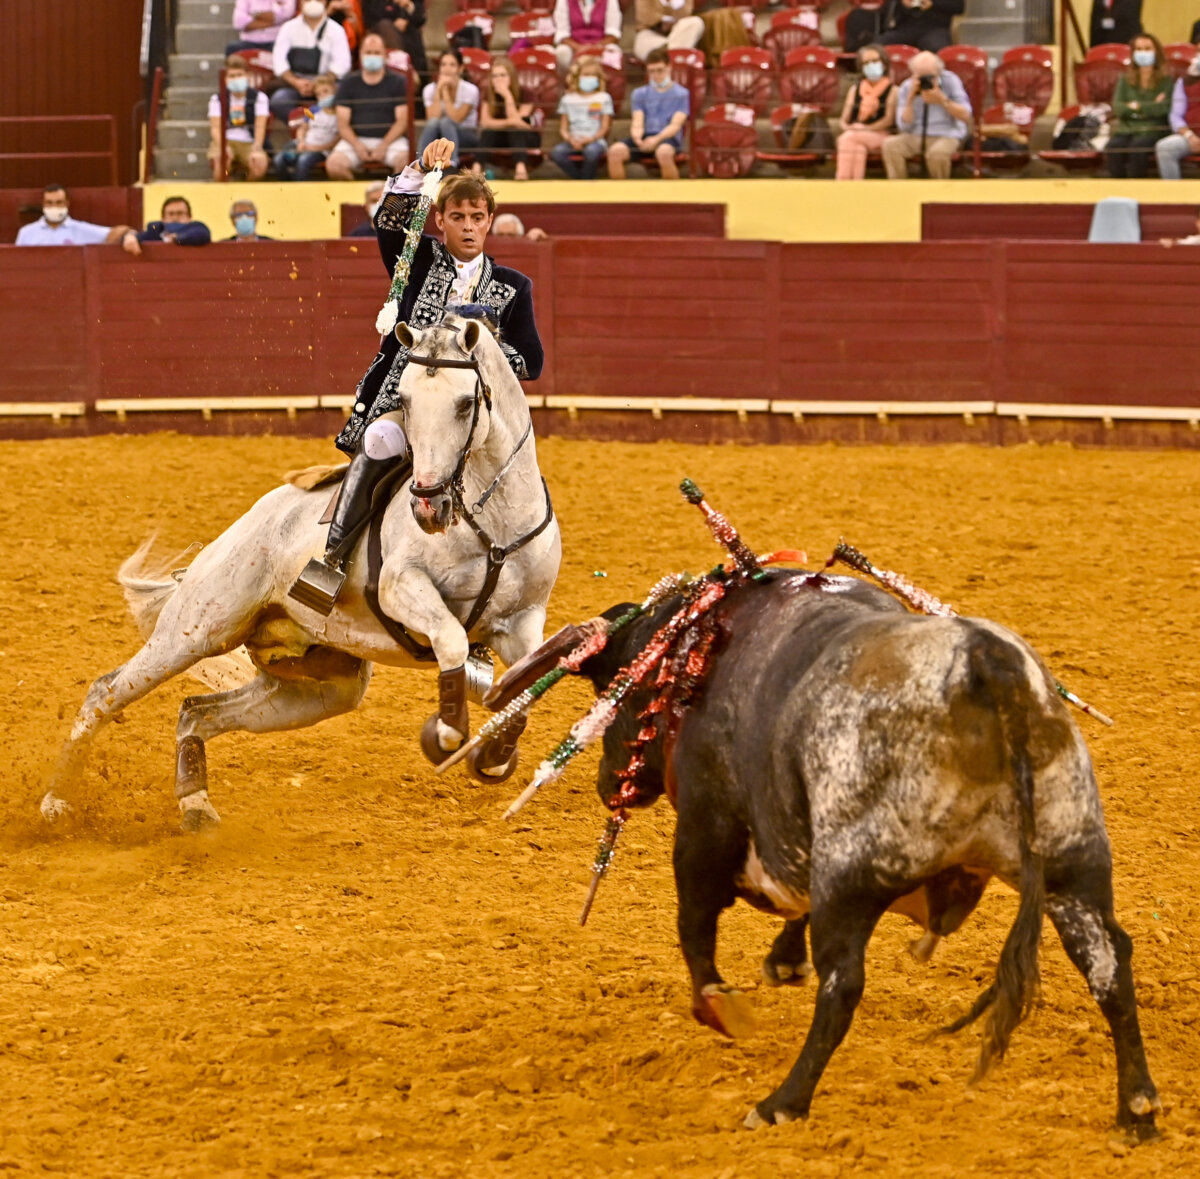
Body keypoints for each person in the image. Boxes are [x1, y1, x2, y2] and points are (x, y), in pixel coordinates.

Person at [307, 136, 544, 592]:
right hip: (408, 405)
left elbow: (531, 360)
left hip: (472, 417)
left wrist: (479, 362)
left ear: (489, 221)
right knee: (379, 441)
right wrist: (419, 167)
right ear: (440, 220)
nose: (469, 227)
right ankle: (332, 559)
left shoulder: (513, 286)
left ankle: (520, 568)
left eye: (477, 217)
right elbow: (389, 221)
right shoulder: (416, 259)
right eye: (458, 217)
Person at [326, 33, 409, 179]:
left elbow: (402, 121)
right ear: (360, 55)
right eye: (368, 52)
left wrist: (384, 145)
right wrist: (357, 146)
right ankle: (354, 193)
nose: (372, 56)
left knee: (406, 162)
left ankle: (391, 193)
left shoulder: (398, 82)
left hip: (391, 140)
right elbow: (343, 124)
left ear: (385, 55)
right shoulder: (349, 82)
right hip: (356, 140)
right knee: (334, 165)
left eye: (377, 53)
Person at [881, 49, 971, 179]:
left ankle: (939, 188)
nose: (925, 81)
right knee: (890, 145)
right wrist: (910, 99)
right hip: (915, 134)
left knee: (937, 154)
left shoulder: (951, 81)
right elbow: (903, 126)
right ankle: (899, 187)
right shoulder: (907, 86)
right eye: (920, 76)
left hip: (947, 134)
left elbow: (966, 115)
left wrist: (942, 100)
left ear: (939, 73)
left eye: (930, 76)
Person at [607, 47, 689, 179]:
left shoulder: (681, 94)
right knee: (615, 152)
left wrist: (656, 139)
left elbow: (676, 125)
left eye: (660, 70)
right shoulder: (639, 94)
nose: (656, 75)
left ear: (669, 67)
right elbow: (637, 121)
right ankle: (620, 190)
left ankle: (672, 190)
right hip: (645, 136)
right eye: (652, 71)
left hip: (667, 138)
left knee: (664, 153)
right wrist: (638, 139)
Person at [270, 0, 352, 127]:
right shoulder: (288, 28)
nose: (313, 1)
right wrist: (296, 82)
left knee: (344, 98)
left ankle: (322, 126)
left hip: (326, 83)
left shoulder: (336, 30)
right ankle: (305, 124)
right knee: (279, 101)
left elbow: (342, 63)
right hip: (296, 84)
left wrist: (320, 83)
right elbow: (279, 61)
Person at [1106, 34, 1171, 179]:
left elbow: (1163, 109)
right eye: (1139, 49)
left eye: (1147, 49)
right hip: (1126, 129)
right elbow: (1119, 108)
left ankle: (1139, 188)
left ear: (1156, 52)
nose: (1143, 52)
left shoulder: (1166, 81)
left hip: (1152, 130)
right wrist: (1148, 107)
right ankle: (1118, 188)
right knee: (1113, 148)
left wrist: (1135, 107)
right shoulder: (1124, 79)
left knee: (1137, 148)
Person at [835, 44, 897, 180]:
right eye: (866, 63)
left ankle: (841, 183)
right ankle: (856, 185)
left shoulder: (893, 90)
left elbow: (888, 120)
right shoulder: (854, 89)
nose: (871, 65)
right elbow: (843, 120)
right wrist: (850, 128)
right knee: (858, 148)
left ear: (884, 64)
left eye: (875, 61)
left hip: (881, 134)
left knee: (846, 139)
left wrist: (864, 129)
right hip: (856, 133)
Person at [479, 56, 542, 181]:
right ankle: (476, 168)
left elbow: (518, 122)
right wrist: (509, 122)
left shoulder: (527, 93)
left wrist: (507, 96)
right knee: (488, 132)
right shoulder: (488, 94)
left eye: (503, 75)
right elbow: (485, 122)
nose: (499, 79)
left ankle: (520, 168)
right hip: (502, 136)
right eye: (495, 76)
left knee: (515, 130)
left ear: (511, 77)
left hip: (526, 137)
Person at [207, 56, 270, 181]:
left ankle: (248, 188)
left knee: (259, 162)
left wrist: (257, 147)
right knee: (222, 159)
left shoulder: (260, 98)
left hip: (249, 142)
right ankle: (220, 187)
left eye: (240, 75)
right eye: (232, 76)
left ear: (247, 76)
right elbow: (215, 128)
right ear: (225, 79)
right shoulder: (217, 99)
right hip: (225, 140)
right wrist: (224, 146)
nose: (236, 79)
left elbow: (260, 126)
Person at [551, 58, 613, 179]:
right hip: (573, 140)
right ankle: (580, 180)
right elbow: (563, 128)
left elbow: (605, 127)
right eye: (586, 75)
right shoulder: (567, 99)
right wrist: (570, 139)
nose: (590, 78)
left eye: (593, 75)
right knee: (557, 153)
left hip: (595, 140)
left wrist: (591, 139)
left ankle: (585, 182)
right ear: (577, 77)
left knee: (591, 152)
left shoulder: (604, 98)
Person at [15, 184, 133, 246]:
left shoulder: (80, 229)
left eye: (59, 202)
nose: (54, 207)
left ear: (67, 204)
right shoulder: (26, 232)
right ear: (43, 204)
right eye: (49, 203)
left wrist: (129, 236)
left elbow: (119, 232)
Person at [418, 51, 480, 165]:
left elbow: (456, 118)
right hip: (439, 135)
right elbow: (432, 117)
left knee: (446, 122)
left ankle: (451, 163)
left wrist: (445, 92)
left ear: (460, 68)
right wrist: (438, 90)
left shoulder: (471, 90)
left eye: (452, 65)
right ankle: (421, 164)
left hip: (465, 134)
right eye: (443, 64)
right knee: (433, 123)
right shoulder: (429, 89)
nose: (447, 69)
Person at [275, 72, 342, 180]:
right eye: (318, 94)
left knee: (303, 161)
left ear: (334, 90)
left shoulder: (341, 113)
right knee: (279, 160)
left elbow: (338, 139)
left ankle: (300, 188)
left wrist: (314, 148)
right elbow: (303, 128)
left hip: (322, 151)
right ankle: (286, 186)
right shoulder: (313, 110)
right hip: (304, 145)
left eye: (326, 91)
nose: (323, 96)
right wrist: (301, 141)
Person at [845, 0, 963, 56]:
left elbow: (959, 6)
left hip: (934, 28)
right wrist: (902, 3)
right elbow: (887, 9)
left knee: (937, 49)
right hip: (904, 29)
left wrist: (933, 4)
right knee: (876, 47)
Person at [1154, 49, 1200, 180]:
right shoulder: (1185, 82)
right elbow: (1175, 115)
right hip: (1193, 136)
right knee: (1165, 148)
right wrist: (1189, 135)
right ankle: (1173, 191)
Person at [120, 196, 212, 256]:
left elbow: (202, 234)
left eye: (180, 213)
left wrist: (176, 238)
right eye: (171, 214)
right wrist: (130, 236)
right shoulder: (156, 231)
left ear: (189, 217)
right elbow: (140, 236)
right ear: (163, 218)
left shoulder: (196, 227)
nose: (175, 218)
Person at [362, 0, 428, 82]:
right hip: (382, 33)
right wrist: (393, 22)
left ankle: (417, 77)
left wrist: (408, 6)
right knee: (385, 26)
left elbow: (420, 18)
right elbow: (370, 16)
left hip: (409, 32)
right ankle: (402, 70)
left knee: (414, 37)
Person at [552, 0, 621, 71]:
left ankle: (608, 77)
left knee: (613, 51)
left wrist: (596, 48)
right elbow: (562, 34)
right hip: (574, 46)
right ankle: (567, 77)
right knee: (562, 51)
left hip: (601, 45)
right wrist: (580, 48)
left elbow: (613, 33)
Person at [633, 0, 703, 62]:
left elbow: (686, 17)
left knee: (695, 21)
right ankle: (675, 58)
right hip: (650, 35)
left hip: (677, 36)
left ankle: (671, 58)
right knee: (647, 47)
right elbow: (645, 17)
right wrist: (664, 21)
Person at [227, 0, 296, 54]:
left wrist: (256, 14)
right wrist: (275, 22)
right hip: (249, 42)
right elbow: (239, 22)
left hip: (276, 42)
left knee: (288, 50)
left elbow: (286, 14)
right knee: (232, 48)